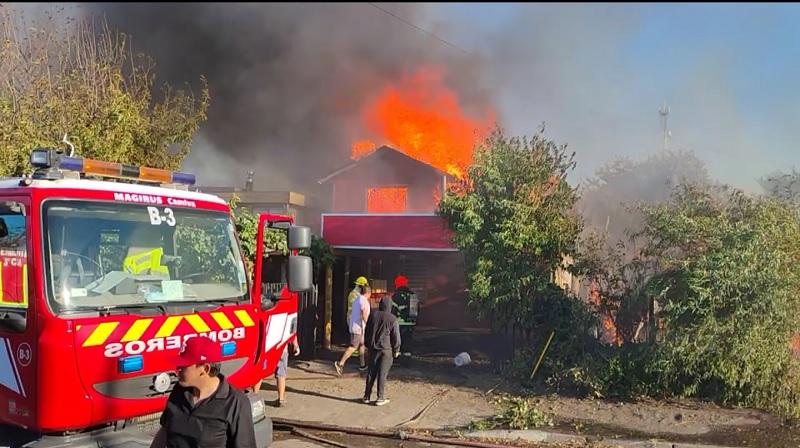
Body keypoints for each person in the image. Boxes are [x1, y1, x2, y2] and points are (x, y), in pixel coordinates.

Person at [150, 336, 256, 448]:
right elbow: (164, 431)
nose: (178, 369)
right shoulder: (179, 390)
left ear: (205, 369)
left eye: (184, 365)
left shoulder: (235, 403)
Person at [363, 294, 401, 406]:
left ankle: (366, 396)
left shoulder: (373, 315)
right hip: (386, 349)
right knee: (382, 374)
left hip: (373, 348)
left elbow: (367, 330)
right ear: (390, 306)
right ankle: (380, 397)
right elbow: (396, 336)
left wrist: (367, 343)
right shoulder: (392, 318)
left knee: (371, 372)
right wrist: (396, 349)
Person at [335, 284, 371, 375]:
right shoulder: (364, 301)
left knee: (362, 344)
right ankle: (340, 363)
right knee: (353, 346)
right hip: (359, 327)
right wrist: (368, 323)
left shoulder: (357, 299)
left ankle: (362, 364)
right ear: (368, 293)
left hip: (355, 325)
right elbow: (364, 314)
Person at [391, 275, 417, 360]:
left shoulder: (396, 296)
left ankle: (397, 358)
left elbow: (393, 311)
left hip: (400, 323)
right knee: (407, 340)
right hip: (411, 322)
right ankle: (407, 359)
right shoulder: (413, 295)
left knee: (398, 340)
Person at [272, 337, 300, 407]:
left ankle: (255, 396)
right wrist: (295, 345)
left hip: (268, 347)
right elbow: (292, 331)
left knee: (260, 373)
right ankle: (281, 398)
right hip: (282, 347)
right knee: (281, 373)